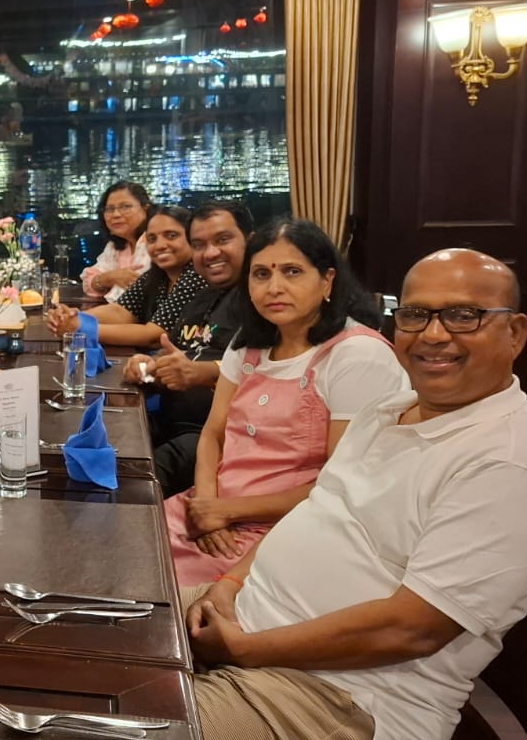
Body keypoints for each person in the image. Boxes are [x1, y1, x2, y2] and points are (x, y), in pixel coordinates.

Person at [187, 250, 527, 740]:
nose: (433, 334)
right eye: (415, 315)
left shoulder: (509, 465)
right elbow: (316, 509)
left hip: (344, 699)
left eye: (464, 315)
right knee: (84, 652)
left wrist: (244, 649)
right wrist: (230, 585)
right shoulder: (390, 408)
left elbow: (410, 629)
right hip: (249, 622)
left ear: (515, 332)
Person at [162, 218, 406, 585]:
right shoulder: (250, 344)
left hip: (289, 527)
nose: (274, 287)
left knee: (153, 592)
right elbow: (213, 434)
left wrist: (225, 511)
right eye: (260, 274)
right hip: (212, 505)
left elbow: (338, 486)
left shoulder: (356, 355)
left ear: (327, 280)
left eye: (292, 272)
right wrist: (206, 506)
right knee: (124, 546)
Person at [135, 200, 254, 497]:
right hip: (165, 422)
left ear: (251, 240)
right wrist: (146, 369)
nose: (210, 253)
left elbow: (264, 370)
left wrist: (200, 373)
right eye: (199, 244)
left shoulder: (261, 300)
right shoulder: (202, 296)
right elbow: (174, 356)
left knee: (132, 486)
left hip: (217, 437)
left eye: (223, 240)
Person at [45, 205, 202, 347]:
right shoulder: (157, 274)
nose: (160, 245)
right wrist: (71, 316)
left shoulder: (196, 275)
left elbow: (154, 335)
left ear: (192, 239)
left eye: (171, 235)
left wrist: (81, 327)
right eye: (152, 239)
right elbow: (121, 312)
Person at [79, 181, 153, 304]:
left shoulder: (154, 241)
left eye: (125, 207)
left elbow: (131, 296)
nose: (116, 214)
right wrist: (112, 277)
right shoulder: (115, 246)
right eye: (109, 209)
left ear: (146, 208)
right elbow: (88, 281)